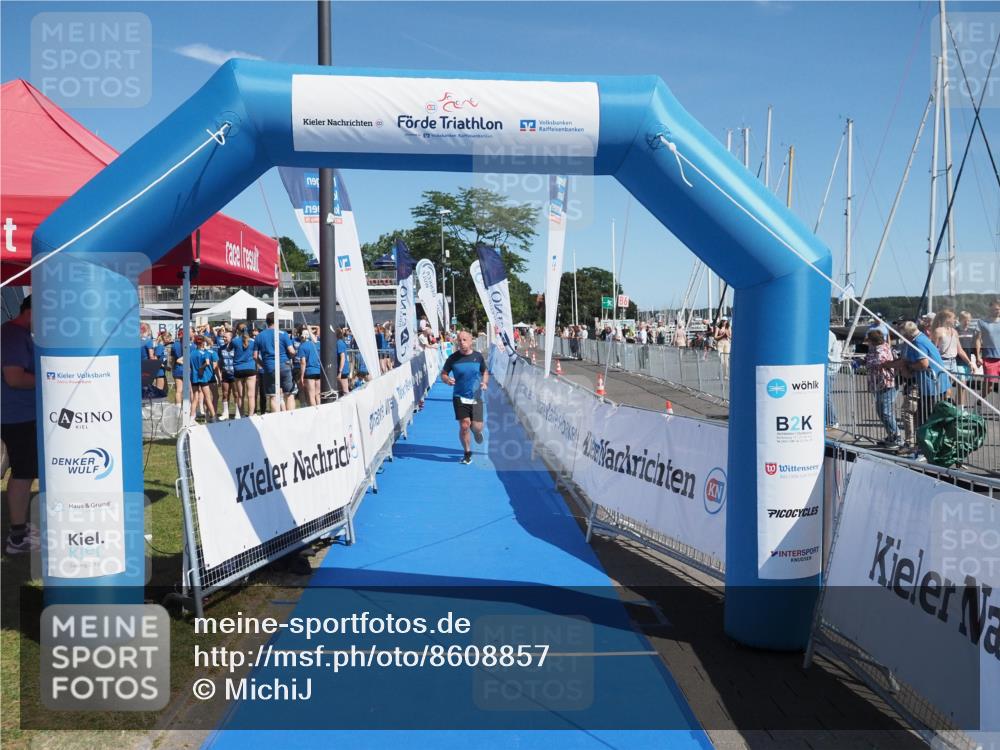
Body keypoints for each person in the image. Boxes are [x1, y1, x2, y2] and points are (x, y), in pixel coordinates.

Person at [1, 296, 37, 554]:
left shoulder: (17, 333)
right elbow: (14, 378)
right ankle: (17, 537)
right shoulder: (13, 335)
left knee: (24, 472)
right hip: (18, 416)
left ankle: (20, 529)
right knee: (23, 474)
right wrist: (50, 378)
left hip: (19, 415)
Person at [896, 320, 950, 453]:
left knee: (926, 418)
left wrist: (908, 367)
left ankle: (926, 449)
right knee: (926, 416)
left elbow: (923, 364)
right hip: (934, 384)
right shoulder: (922, 338)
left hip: (930, 385)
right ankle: (924, 446)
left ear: (906, 335)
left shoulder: (918, 342)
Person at [441, 330, 489, 465]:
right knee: (464, 425)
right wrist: (447, 380)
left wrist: (484, 382)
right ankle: (467, 453)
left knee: (477, 427)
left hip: (476, 397)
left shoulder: (478, 357)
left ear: (471, 340)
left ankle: (477, 432)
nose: (462, 343)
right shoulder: (453, 358)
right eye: (459, 340)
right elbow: (443, 374)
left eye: (464, 340)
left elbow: (485, 372)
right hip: (459, 396)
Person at [864, 329, 902, 448]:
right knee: (881, 411)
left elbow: (875, 362)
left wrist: (864, 362)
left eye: (869, 340)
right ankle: (891, 435)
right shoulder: (876, 349)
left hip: (887, 384)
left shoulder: (881, 350)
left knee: (885, 412)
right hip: (879, 384)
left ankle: (897, 437)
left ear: (872, 341)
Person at [255, 313, 297, 412]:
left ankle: (276, 418)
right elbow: (291, 351)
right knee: (289, 394)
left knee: (273, 396)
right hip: (284, 365)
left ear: (267, 322)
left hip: (269, 367)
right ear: (277, 321)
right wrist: (290, 358)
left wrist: (263, 365)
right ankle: (291, 418)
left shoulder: (259, 336)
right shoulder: (283, 334)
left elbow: (255, 356)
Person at [931, 309, 973, 406]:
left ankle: (949, 408)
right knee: (946, 391)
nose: (955, 320)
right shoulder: (938, 331)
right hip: (942, 362)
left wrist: (969, 362)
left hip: (953, 363)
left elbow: (959, 350)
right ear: (947, 319)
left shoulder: (954, 331)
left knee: (950, 389)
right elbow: (933, 351)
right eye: (953, 318)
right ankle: (947, 408)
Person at [975, 299, 1000, 402]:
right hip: (989, 358)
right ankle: (979, 403)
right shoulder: (982, 322)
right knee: (988, 387)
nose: (998, 311)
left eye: (999, 309)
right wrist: (978, 356)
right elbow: (978, 340)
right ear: (990, 309)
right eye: (995, 309)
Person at [231, 322, 257, 418]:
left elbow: (228, 349)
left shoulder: (235, 341)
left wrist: (234, 334)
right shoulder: (253, 341)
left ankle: (242, 416)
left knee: (240, 395)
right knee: (251, 395)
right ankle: (250, 416)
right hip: (250, 368)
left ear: (238, 330)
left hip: (238, 369)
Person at [297, 328, 322, 406]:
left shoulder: (302, 346)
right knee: (318, 395)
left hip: (309, 372)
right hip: (319, 371)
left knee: (311, 396)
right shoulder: (318, 344)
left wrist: (302, 376)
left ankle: (314, 411)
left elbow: (303, 362)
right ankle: (320, 411)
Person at [217, 330, 237, 419]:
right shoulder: (221, 348)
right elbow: (220, 362)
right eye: (223, 337)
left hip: (235, 374)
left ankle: (238, 413)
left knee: (236, 393)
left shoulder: (235, 347)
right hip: (225, 374)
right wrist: (219, 374)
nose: (224, 338)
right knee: (225, 393)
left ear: (231, 338)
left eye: (226, 337)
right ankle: (225, 413)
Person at [827, 329, 843, 428]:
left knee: (825, 395)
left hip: (830, 369)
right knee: (825, 395)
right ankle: (829, 420)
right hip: (829, 367)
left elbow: (825, 351)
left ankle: (833, 420)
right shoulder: (827, 333)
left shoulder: (828, 335)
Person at [170, 328, 186, 406]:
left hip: (177, 368)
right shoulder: (190, 344)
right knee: (189, 390)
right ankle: (189, 408)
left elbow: (172, 359)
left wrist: (172, 368)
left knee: (178, 390)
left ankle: (178, 409)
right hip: (187, 369)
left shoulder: (174, 345)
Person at [335, 328, 351, 395]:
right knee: (341, 390)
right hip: (342, 370)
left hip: (343, 370)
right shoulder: (339, 342)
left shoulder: (339, 343)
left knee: (345, 391)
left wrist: (340, 372)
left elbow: (343, 357)